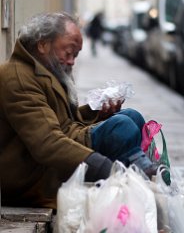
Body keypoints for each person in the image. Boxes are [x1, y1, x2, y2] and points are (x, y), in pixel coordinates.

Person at [0, 12, 158, 209]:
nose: (72, 61)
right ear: (43, 44)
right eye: (69, 52)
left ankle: (138, 183)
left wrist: (97, 114)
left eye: (76, 55)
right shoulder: (18, 77)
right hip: (35, 177)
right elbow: (47, 143)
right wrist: (104, 167)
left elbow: (65, 122)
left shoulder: (45, 69)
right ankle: (138, 183)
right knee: (122, 127)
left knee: (132, 117)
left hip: (57, 152)